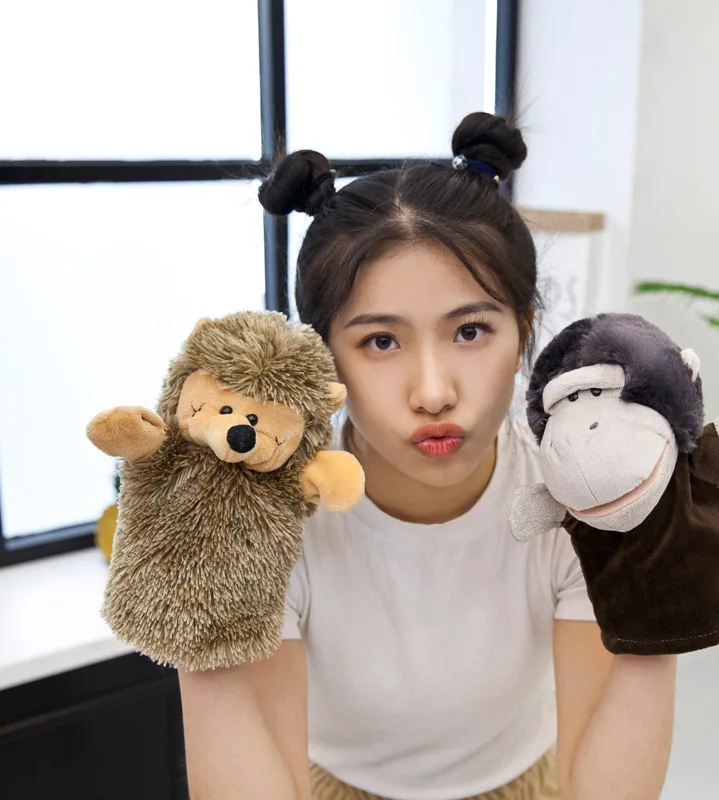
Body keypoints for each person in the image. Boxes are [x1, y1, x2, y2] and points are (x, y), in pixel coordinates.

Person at [177, 112, 678, 800]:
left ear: (524, 332)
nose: (435, 392)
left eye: (470, 330)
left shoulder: (577, 492)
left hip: (526, 780)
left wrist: (668, 594)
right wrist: (195, 620)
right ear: (322, 358)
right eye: (381, 341)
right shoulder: (277, 519)